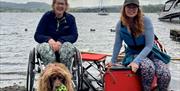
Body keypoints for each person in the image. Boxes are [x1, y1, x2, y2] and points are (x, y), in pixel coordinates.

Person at [110, 0, 171, 91]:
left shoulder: (146, 20)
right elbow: (118, 44)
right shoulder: (120, 25)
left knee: (164, 73)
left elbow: (149, 45)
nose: (131, 9)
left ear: (138, 9)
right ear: (124, 8)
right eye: (128, 7)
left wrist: (137, 62)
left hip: (151, 52)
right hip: (133, 53)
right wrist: (112, 61)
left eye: (134, 7)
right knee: (148, 67)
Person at [34, 0, 78, 70]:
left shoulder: (70, 19)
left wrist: (61, 41)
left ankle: (64, 74)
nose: (60, 6)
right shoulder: (47, 17)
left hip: (63, 46)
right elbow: (37, 35)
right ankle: (51, 73)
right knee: (45, 48)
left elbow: (74, 36)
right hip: (48, 46)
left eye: (62, 4)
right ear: (53, 5)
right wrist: (49, 39)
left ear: (66, 6)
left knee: (68, 47)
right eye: (58, 3)